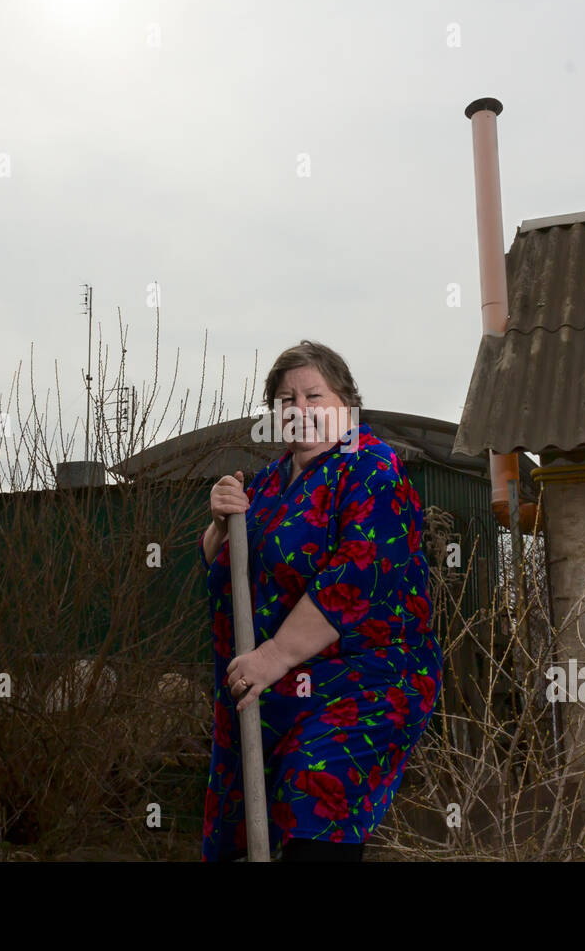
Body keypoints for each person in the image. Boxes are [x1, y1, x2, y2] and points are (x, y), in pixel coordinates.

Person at [197, 339, 443, 862]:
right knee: (257, 828)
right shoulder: (266, 483)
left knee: (316, 796)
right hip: (278, 686)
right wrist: (219, 527)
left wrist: (273, 655)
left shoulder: (373, 470)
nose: (301, 410)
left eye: (314, 395)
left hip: (366, 677)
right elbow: (228, 572)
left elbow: (351, 581)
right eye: (287, 400)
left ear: (347, 404)